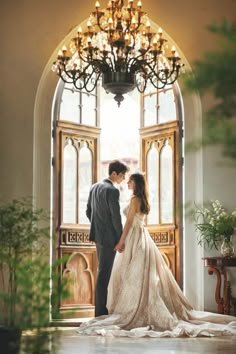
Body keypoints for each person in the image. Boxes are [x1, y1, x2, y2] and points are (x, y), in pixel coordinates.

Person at [79, 172, 236, 337]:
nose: (127, 184)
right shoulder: (144, 199)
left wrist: (120, 241)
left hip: (133, 237)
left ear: (136, 183)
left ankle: (136, 309)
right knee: (140, 274)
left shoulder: (134, 200)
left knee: (133, 274)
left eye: (130, 181)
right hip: (143, 237)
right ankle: (140, 305)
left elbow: (129, 223)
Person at [86, 160, 129, 317]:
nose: (123, 178)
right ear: (114, 173)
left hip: (98, 236)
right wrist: (120, 239)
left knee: (102, 272)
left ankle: (101, 310)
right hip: (109, 238)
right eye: (122, 175)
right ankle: (100, 312)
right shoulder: (112, 190)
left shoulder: (94, 187)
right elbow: (115, 217)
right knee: (104, 274)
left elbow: (88, 211)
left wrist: (98, 227)